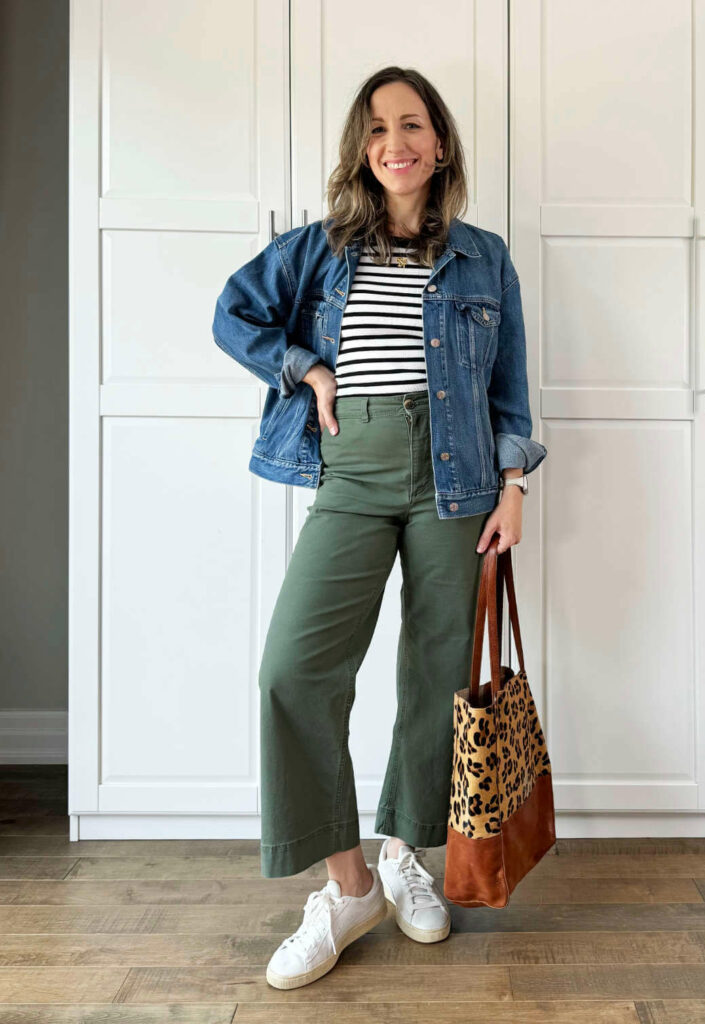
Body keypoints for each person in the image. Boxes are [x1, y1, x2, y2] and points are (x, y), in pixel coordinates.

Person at [212, 65, 547, 991]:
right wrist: (307, 369)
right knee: (295, 668)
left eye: (410, 125)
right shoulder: (318, 250)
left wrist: (514, 484)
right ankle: (349, 886)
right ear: (363, 152)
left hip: (460, 478)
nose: (393, 143)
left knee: (436, 672)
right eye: (374, 130)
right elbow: (232, 312)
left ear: (439, 143)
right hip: (351, 467)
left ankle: (405, 854)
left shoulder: (485, 256)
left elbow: (509, 386)